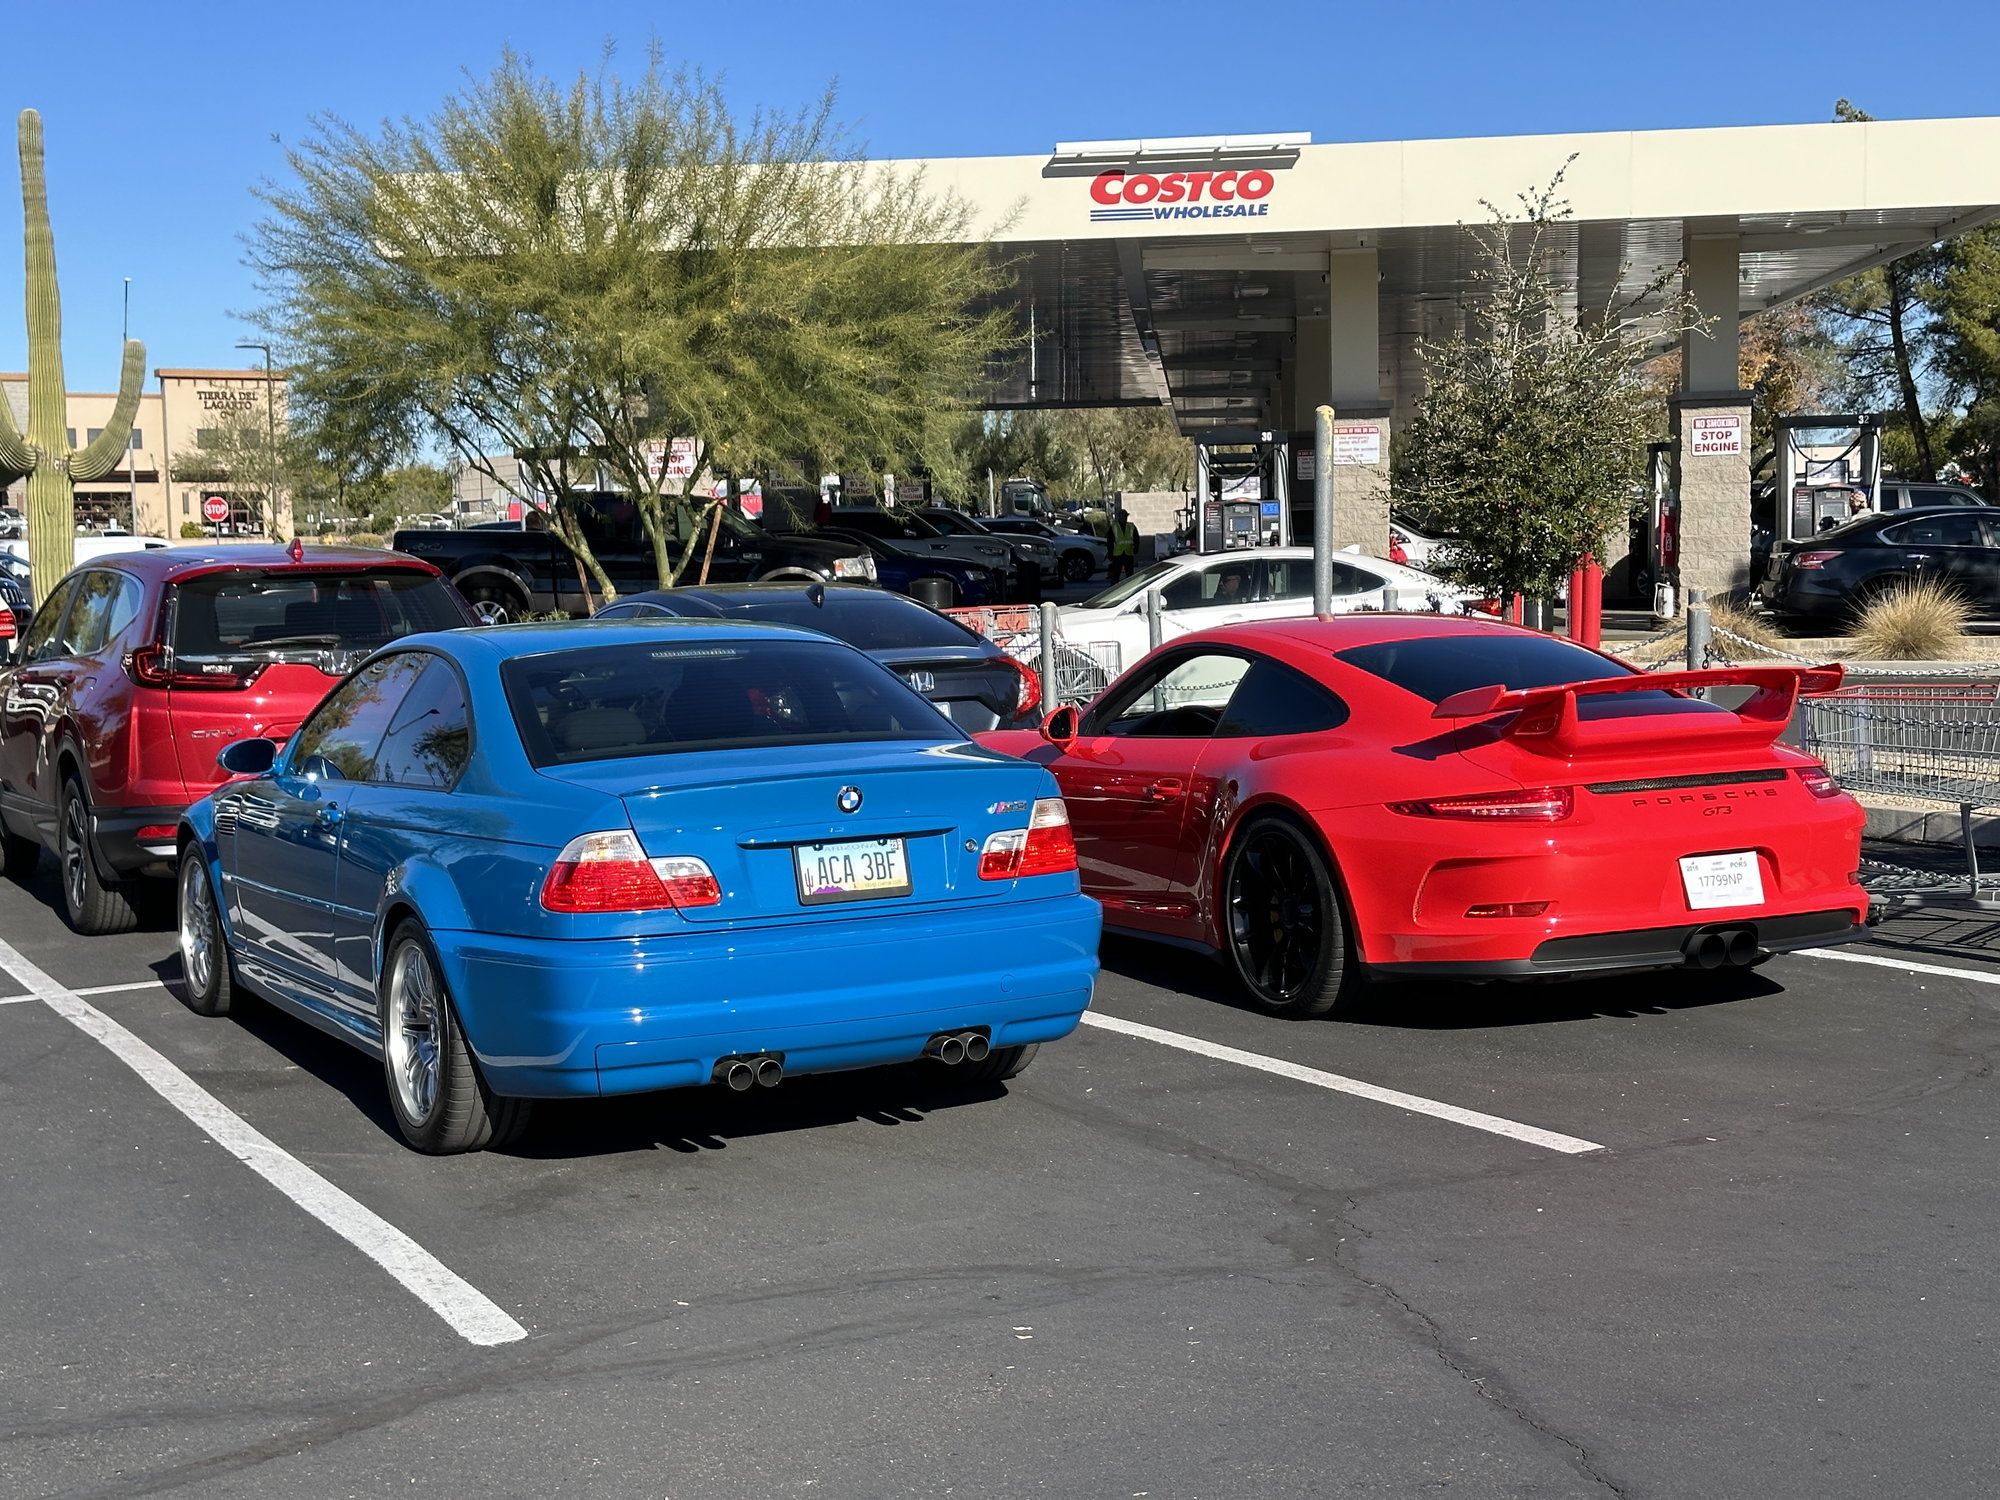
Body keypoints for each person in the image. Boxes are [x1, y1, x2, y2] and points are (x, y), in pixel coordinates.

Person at [1107, 506, 1139, 584]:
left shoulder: (1131, 526)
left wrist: (1136, 548)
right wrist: (1110, 553)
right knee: (1116, 574)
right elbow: (1110, 541)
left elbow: (1136, 538)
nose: (1124, 518)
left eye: (1125, 516)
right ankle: (1114, 588)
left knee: (1130, 574)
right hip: (1117, 554)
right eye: (1122, 516)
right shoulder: (1114, 527)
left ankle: (1130, 587)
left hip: (1128, 553)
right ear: (1119, 517)